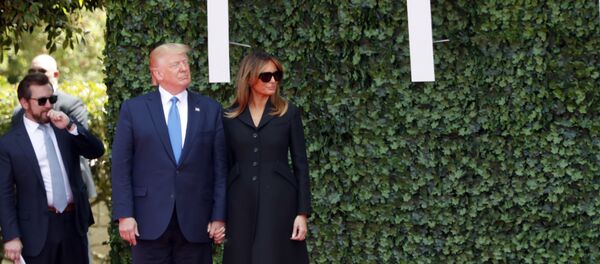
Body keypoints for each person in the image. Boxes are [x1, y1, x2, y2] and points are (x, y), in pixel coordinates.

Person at [111, 43, 227, 263]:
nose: (184, 68)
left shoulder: (210, 109)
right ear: (157, 73)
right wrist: (125, 215)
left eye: (185, 62)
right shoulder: (134, 109)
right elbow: (121, 167)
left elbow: (220, 169)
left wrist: (219, 216)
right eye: (176, 64)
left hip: (196, 222)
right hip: (148, 222)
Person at [0, 73, 105, 263]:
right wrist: (11, 236)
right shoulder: (9, 144)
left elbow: (96, 151)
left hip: (74, 225)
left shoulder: (64, 126)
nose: (49, 105)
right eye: (41, 101)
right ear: (24, 103)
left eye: (52, 99)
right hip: (36, 230)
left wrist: (72, 127)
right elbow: (4, 194)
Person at [222, 51, 312, 264]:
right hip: (240, 204)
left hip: (280, 203)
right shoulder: (229, 117)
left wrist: (302, 213)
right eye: (266, 76)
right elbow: (224, 166)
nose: (273, 81)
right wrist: (219, 215)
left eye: (277, 75)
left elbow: (301, 165)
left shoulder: (288, 113)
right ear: (249, 78)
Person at [13, 54, 97, 199]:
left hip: (72, 191)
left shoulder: (71, 104)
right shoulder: (19, 113)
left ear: (55, 74)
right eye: (32, 71)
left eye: (41, 70)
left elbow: (86, 145)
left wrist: (69, 125)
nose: (36, 74)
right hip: (34, 196)